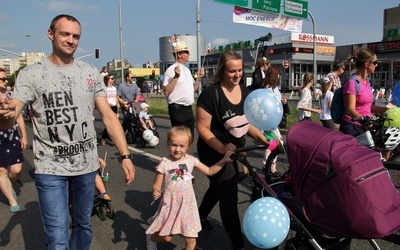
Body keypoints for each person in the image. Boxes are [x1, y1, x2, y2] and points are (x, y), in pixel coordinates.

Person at [0, 14, 135, 249]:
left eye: (75, 36)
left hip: (85, 166)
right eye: (65, 34)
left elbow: (108, 116)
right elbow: (11, 118)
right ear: (51, 34)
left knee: (83, 225)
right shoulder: (31, 74)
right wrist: (4, 115)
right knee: (57, 234)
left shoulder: (90, 73)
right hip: (50, 168)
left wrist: (125, 155)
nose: (71, 40)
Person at [196, 51, 272, 250]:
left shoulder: (245, 92)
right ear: (222, 71)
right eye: (232, 71)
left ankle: (200, 215)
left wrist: (264, 140)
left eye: (240, 70)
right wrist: (222, 147)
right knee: (229, 193)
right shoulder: (211, 94)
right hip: (214, 150)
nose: (237, 74)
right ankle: (239, 246)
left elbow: (247, 124)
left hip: (236, 150)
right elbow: (202, 128)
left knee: (218, 187)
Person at [145, 126, 234, 250]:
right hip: (170, 206)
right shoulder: (164, 163)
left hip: (188, 206)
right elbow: (157, 184)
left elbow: (209, 170)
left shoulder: (191, 160)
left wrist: (224, 160)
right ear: (168, 144)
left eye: (182, 146)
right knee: (167, 238)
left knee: (191, 240)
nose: (177, 149)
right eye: (174, 145)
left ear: (188, 146)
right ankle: (152, 238)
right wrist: (155, 191)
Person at [339, 48, 388, 137]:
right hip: (352, 128)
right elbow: (350, 109)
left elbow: (368, 107)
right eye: (375, 62)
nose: (376, 65)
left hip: (365, 127)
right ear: (367, 64)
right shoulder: (352, 82)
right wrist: (364, 120)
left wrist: (386, 110)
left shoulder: (368, 82)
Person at [162, 40, 204, 136]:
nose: (189, 54)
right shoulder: (171, 70)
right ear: (179, 55)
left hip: (189, 109)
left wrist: (199, 78)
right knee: (180, 138)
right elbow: (166, 91)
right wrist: (176, 77)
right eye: (186, 52)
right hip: (177, 109)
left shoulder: (187, 71)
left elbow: (193, 89)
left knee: (190, 138)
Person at [0, 68, 27, 213]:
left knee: (16, 170)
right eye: (2, 79)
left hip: (11, 135)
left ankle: (8, 185)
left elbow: (18, 116)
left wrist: (24, 135)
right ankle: (12, 200)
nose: (5, 81)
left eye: (5, 78)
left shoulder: (11, 96)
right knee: (1, 170)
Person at [117, 71, 140, 136]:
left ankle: (122, 131)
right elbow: (117, 95)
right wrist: (122, 102)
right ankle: (129, 133)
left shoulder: (135, 85)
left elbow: (137, 94)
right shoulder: (121, 86)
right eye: (131, 77)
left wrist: (137, 99)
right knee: (128, 118)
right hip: (125, 104)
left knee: (135, 117)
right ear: (127, 78)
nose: (133, 78)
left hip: (132, 104)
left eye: (133, 77)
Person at [101, 74, 119, 146]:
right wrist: (107, 104)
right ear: (108, 80)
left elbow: (115, 96)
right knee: (109, 124)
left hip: (114, 106)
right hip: (107, 107)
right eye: (112, 78)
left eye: (113, 78)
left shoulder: (114, 88)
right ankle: (104, 138)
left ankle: (113, 139)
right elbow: (103, 98)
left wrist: (118, 103)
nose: (113, 80)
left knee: (114, 124)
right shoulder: (104, 89)